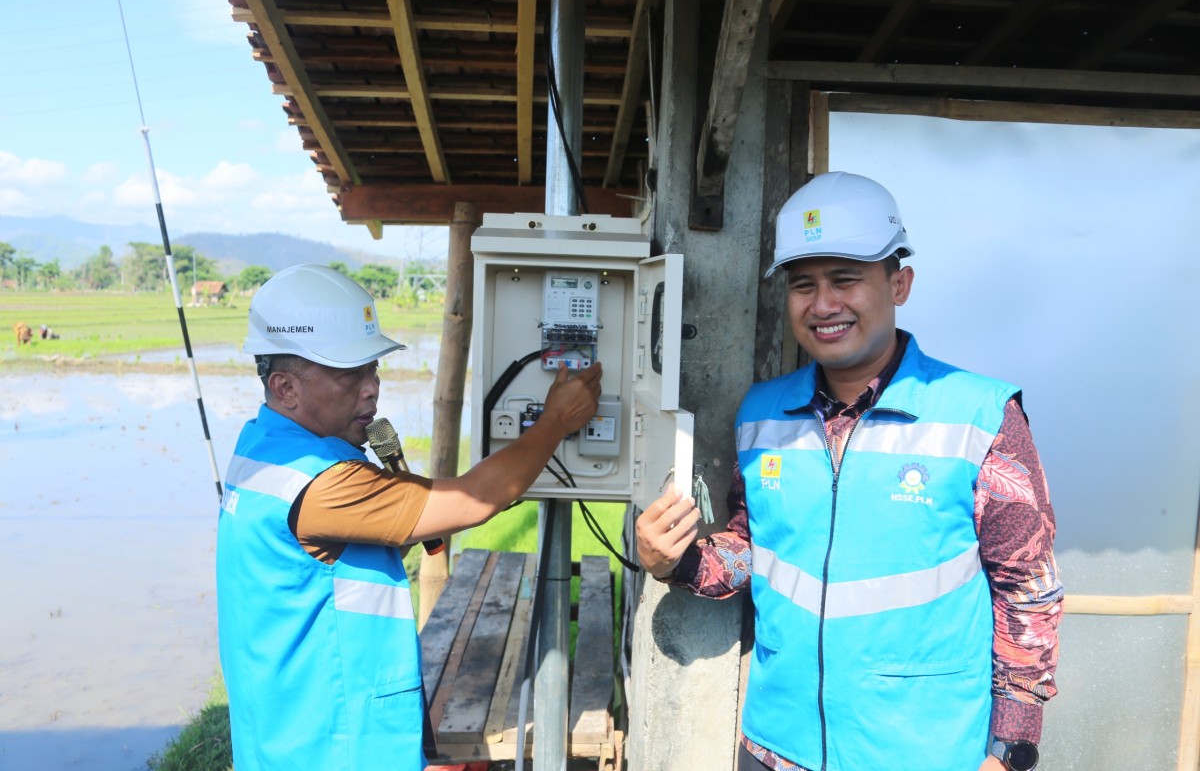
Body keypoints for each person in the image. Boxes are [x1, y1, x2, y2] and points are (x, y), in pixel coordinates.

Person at [636, 172, 1062, 771]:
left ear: (900, 283)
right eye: (803, 285)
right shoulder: (762, 413)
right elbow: (753, 547)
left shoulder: (980, 414)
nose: (823, 304)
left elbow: (1027, 590)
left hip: (926, 753)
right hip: (777, 747)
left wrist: (1010, 750)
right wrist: (674, 560)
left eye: (846, 280)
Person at [216, 263, 602, 771]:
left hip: (285, 732)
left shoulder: (263, 447)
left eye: (371, 368)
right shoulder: (324, 482)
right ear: (286, 388)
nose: (371, 388)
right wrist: (555, 420)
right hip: (336, 746)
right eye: (348, 373)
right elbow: (472, 500)